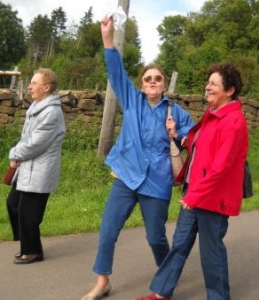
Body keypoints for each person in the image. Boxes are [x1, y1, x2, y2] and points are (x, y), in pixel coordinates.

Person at [80, 16, 194, 300]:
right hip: (126, 176)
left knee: (156, 237)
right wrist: (107, 38)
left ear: (164, 84)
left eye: (158, 78)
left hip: (157, 182)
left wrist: (177, 134)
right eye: (148, 78)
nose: (153, 82)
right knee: (108, 232)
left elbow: (196, 140)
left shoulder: (176, 112)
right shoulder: (132, 100)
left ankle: (166, 275)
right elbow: (116, 70)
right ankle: (102, 282)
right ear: (142, 84)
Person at [137, 62, 249, 300]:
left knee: (212, 251)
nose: (207, 87)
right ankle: (161, 292)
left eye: (213, 84)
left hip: (212, 197)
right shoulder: (213, 114)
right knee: (179, 244)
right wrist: (179, 136)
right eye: (208, 83)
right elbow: (200, 145)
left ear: (229, 91)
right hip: (195, 192)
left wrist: (195, 196)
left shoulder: (233, 121)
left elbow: (221, 167)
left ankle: (219, 297)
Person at [6, 68, 66, 264]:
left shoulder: (51, 112)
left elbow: (35, 144)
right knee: (13, 204)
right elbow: (28, 139)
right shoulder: (37, 106)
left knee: (28, 214)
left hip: (40, 171)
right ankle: (27, 244)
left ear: (46, 87)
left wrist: (15, 153)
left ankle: (33, 251)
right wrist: (19, 157)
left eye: (34, 83)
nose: (30, 87)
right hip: (28, 167)